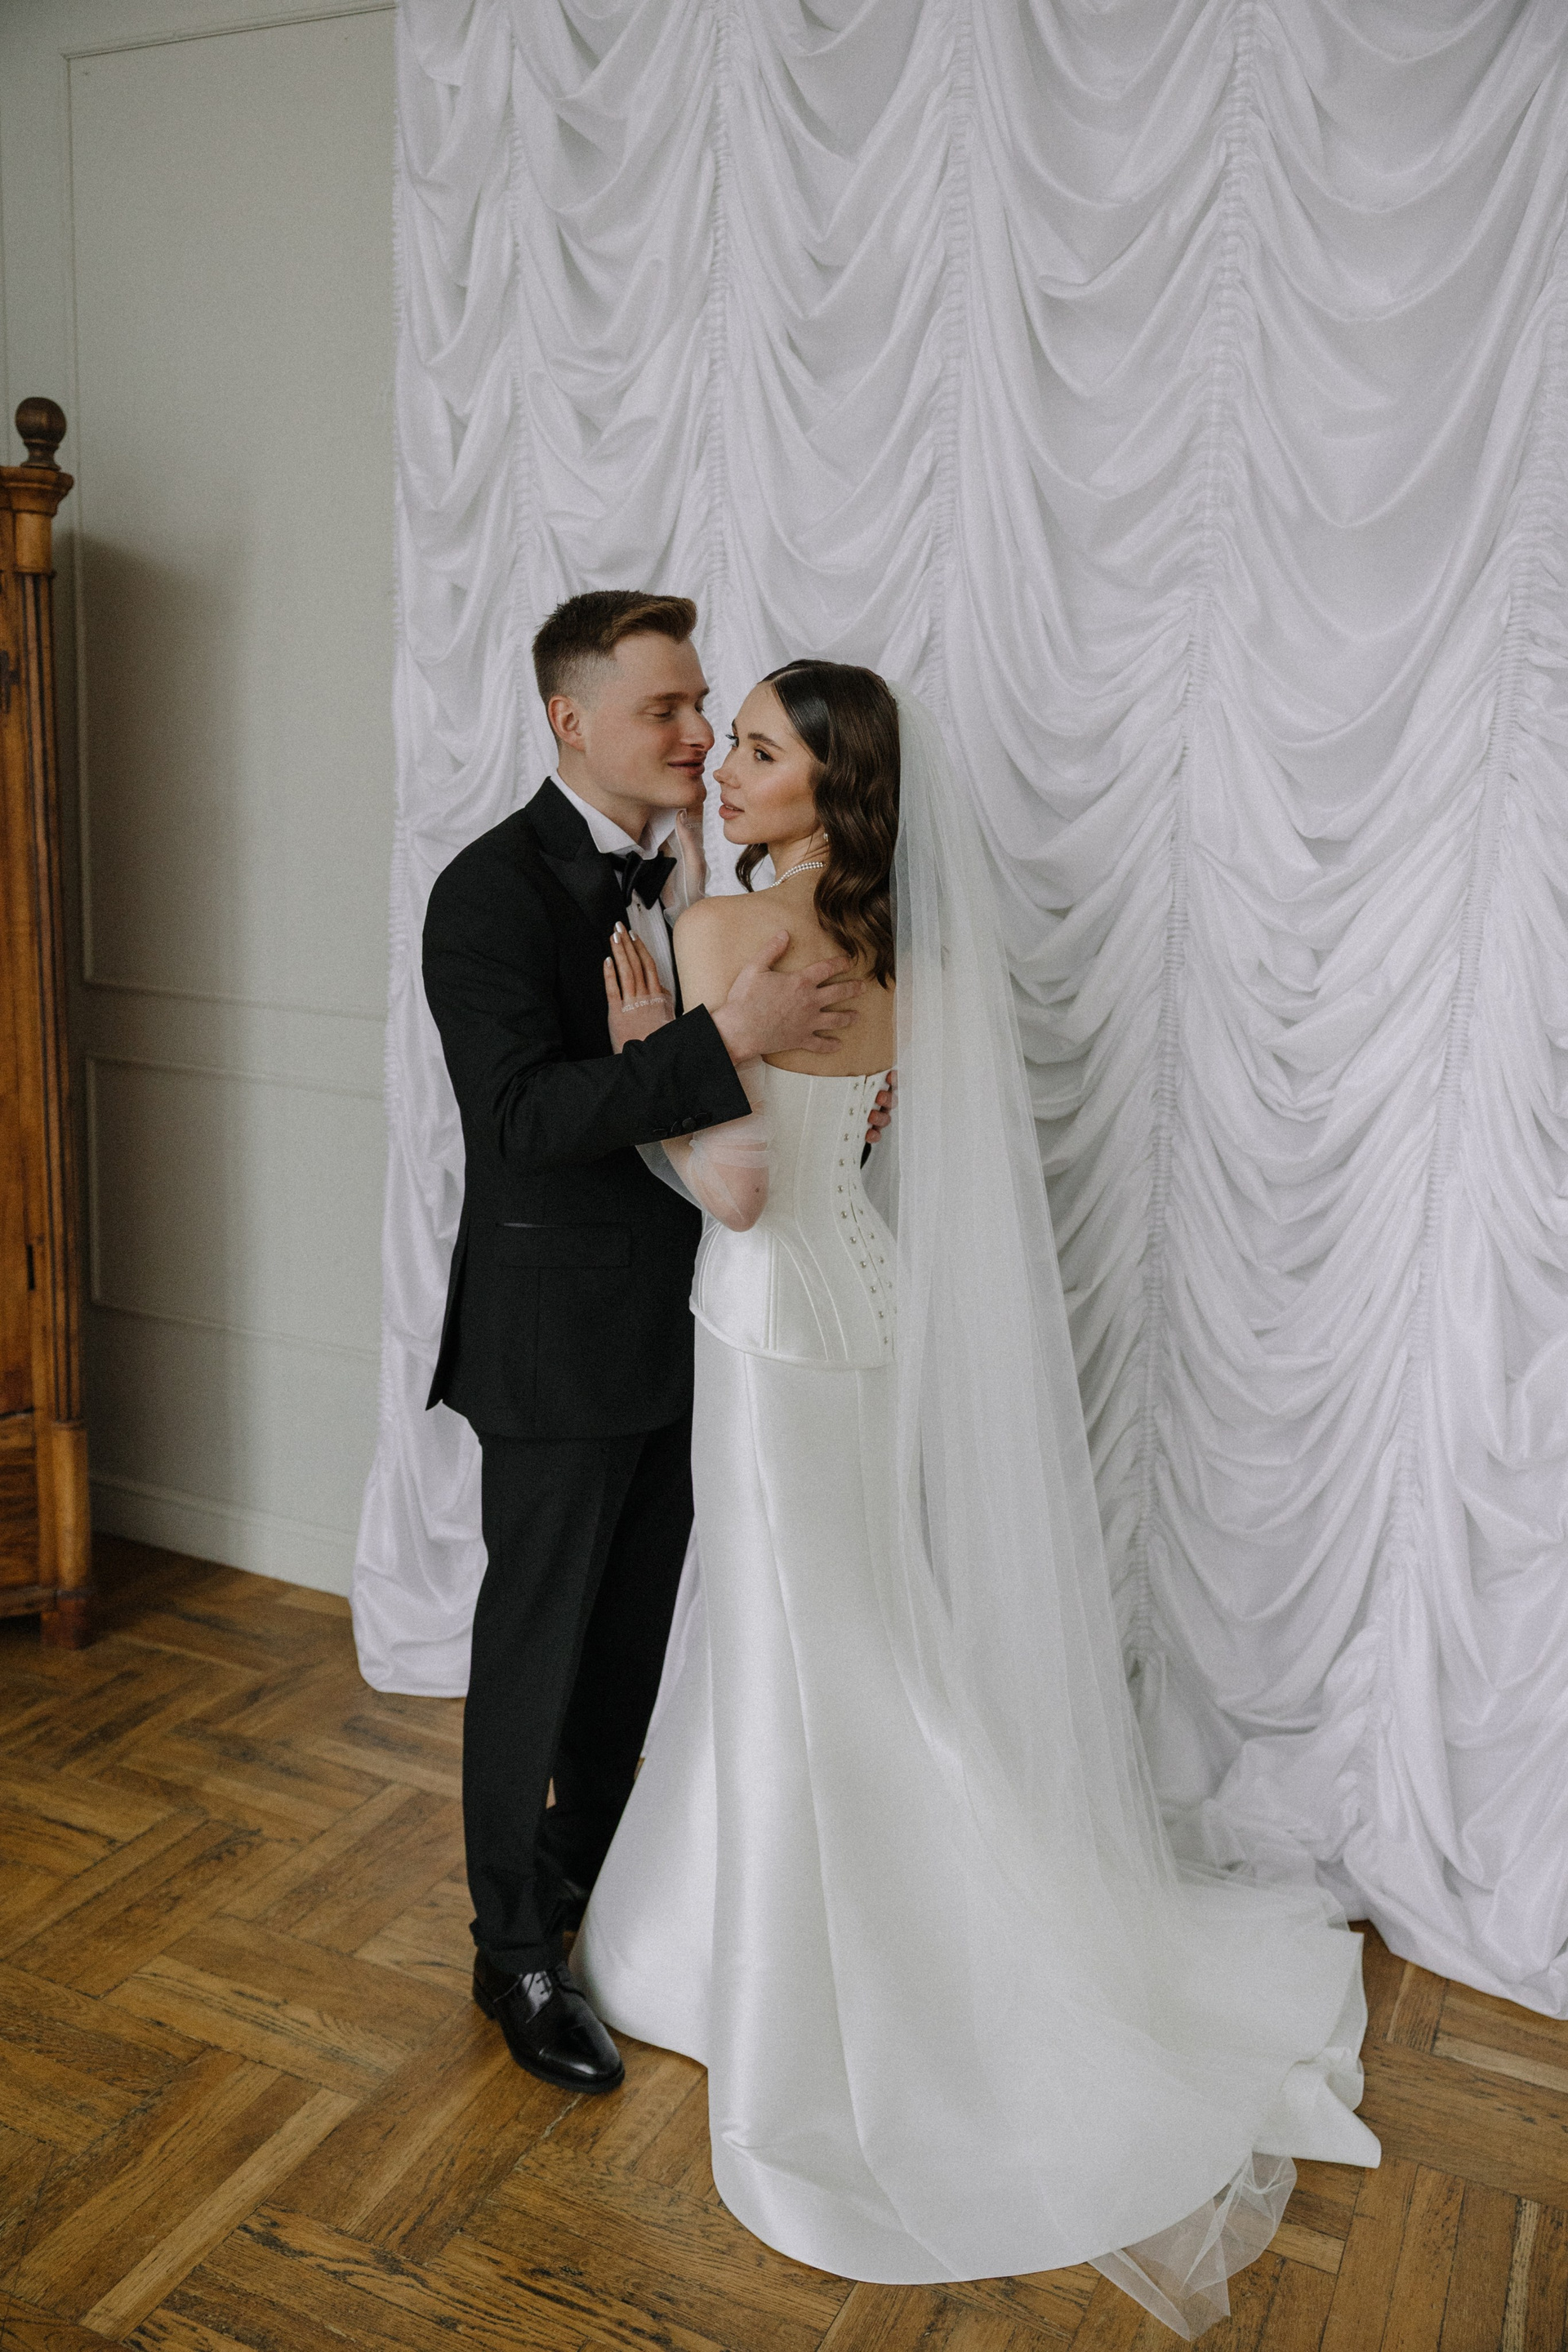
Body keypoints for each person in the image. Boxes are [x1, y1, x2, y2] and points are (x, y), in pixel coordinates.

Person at [575, 662, 1381, 2339]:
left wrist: (645, 1051)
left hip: (769, 1332)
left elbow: (737, 1189)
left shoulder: (722, 936)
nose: (725, 766)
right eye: (731, 741)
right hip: (860, 1323)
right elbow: (854, 1160)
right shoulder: (910, 959)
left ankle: (807, 1982)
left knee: (799, 1651)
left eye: (759, 750)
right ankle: (815, 1922)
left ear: (829, 790)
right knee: (849, 1635)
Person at [421, 593, 889, 2099]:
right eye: (666, 711)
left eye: (706, 709)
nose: (697, 735)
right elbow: (519, 1120)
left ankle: (591, 1889)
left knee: (630, 1649)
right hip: (554, 1342)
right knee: (538, 1646)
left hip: (712, 1328)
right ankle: (513, 1951)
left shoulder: (708, 870)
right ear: (571, 721)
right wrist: (721, 1040)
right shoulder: (487, 892)